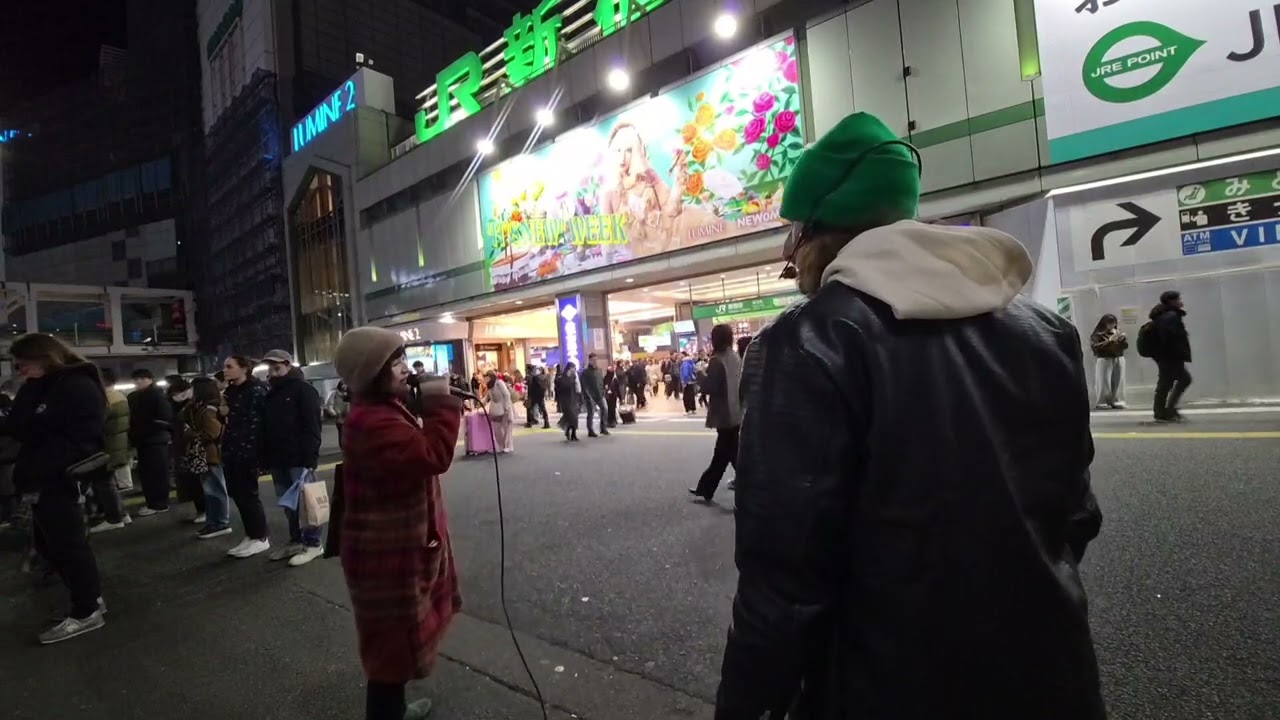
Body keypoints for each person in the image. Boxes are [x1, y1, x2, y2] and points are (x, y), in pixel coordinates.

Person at [715, 112, 1104, 719]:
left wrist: (744, 708)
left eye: (793, 242)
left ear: (818, 236)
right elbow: (1076, 517)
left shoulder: (809, 340)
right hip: (1052, 675)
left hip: (887, 688)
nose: (793, 264)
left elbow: (784, 582)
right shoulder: (1048, 332)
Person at [332, 327, 464, 720]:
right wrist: (441, 403)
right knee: (390, 654)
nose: (407, 370)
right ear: (373, 372)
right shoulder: (371, 422)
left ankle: (397, 708)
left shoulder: (383, 409)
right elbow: (433, 454)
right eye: (396, 363)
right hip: (386, 558)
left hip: (397, 549)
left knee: (397, 644)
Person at [1, 334, 108, 644]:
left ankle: (87, 610)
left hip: (60, 477)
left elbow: (79, 436)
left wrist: (45, 457)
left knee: (69, 545)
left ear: (46, 357)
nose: (21, 371)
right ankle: (87, 600)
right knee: (53, 546)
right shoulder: (40, 386)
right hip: (41, 477)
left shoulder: (76, 385)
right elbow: (19, 425)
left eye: (24, 364)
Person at [262, 349, 325, 567]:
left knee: (307, 503)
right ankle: (296, 540)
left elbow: (312, 426)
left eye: (277, 365)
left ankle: (314, 544)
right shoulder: (271, 392)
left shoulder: (303, 390)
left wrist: (311, 458)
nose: (272, 369)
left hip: (299, 458)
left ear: (289, 365)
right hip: (278, 459)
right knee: (289, 506)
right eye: (270, 366)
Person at [221, 355, 271, 558]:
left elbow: (259, 422)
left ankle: (260, 538)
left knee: (248, 495)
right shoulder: (231, 391)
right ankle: (250, 535)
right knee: (237, 493)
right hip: (232, 448)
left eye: (229, 366)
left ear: (244, 369)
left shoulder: (256, 390)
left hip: (249, 450)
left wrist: (260, 453)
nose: (224, 370)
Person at [689, 325, 743, 503]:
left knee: (728, 455)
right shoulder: (735, 357)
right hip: (736, 412)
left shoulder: (716, 360)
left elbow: (709, 387)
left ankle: (755, 486)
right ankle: (705, 489)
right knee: (723, 454)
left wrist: (699, 373)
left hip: (724, 414)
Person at [180, 377, 230, 539]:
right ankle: (213, 522)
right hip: (206, 454)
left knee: (214, 490)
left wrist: (190, 433)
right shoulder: (200, 407)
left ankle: (220, 522)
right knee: (210, 491)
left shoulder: (208, 409)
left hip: (210, 454)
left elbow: (212, 433)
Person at [88, 368, 132, 533]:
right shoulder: (119, 395)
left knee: (104, 483)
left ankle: (114, 518)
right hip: (116, 445)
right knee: (109, 482)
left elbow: (97, 423)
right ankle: (122, 514)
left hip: (107, 446)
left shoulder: (106, 398)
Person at [128, 368, 174, 517]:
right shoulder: (135, 396)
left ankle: (160, 503)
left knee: (157, 473)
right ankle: (153, 502)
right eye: (136, 379)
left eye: (143, 378)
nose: (139, 382)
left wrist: (144, 427)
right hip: (146, 439)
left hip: (155, 439)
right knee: (148, 473)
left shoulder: (157, 395)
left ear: (150, 379)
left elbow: (165, 418)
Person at [1149, 290, 1192, 422]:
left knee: (1165, 383)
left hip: (1165, 356)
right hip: (1170, 356)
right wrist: (1178, 354)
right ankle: (1167, 410)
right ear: (1171, 301)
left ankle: (1162, 411)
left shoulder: (1164, 315)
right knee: (1183, 380)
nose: (1181, 302)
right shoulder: (1170, 317)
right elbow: (1170, 338)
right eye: (1178, 299)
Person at [168, 376, 206, 524]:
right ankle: (200, 509)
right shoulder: (178, 407)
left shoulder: (193, 407)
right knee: (190, 481)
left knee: (198, 481)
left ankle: (205, 510)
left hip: (192, 447)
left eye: (179, 393)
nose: (176, 396)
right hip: (182, 446)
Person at [1090, 314, 1128, 409]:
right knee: (1104, 381)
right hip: (1105, 358)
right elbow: (1095, 347)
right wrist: (1110, 341)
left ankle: (1117, 400)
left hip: (1118, 357)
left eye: (1114, 323)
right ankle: (1102, 401)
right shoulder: (1098, 334)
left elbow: (1125, 346)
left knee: (1119, 380)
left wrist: (1122, 340)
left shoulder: (1117, 332)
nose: (1112, 325)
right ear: (1104, 324)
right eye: (1110, 323)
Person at [484, 370, 516, 453]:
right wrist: (480, 403)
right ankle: (500, 446)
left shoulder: (499, 383)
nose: (485, 379)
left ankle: (507, 446)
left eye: (486, 377)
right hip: (496, 409)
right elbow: (487, 397)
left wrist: (506, 407)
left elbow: (507, 395)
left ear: (490, 377)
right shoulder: (489, 386)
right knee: (497, 428)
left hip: (505, 407)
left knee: (506, 428)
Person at [580, 353, 610, 437]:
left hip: (600, 394)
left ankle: (603, 428)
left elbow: (601, 382)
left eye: (596, 360)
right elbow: (584, 385)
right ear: (589, 360)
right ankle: (590, 430)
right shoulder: (585, 372)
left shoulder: (599, 370)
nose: (595, 361)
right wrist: (587, 395)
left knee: (605, 409)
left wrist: (603, 391)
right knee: (591, 413)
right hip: (590, 396)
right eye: (593, 360)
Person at [556, 362, 582, 441]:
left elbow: (578, 388)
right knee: (572, 417)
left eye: (575, 368)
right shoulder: (562, 377)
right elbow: (562, 387)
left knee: (574, 417)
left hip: (574, 399)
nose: (574, 370)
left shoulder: (575, 376)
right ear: (569, 368)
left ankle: (573, 433)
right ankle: (569, 431)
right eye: (573, 368)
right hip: (566, 400)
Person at [327, 381, 352, 448]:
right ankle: (343, 447)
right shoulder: (334, 395)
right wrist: (334, 413)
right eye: (343, 385)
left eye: (345, 385)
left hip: (349, 417)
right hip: (339, 417)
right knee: (341, 432)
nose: (344, 387)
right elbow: (329, 405)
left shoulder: (349, 394)